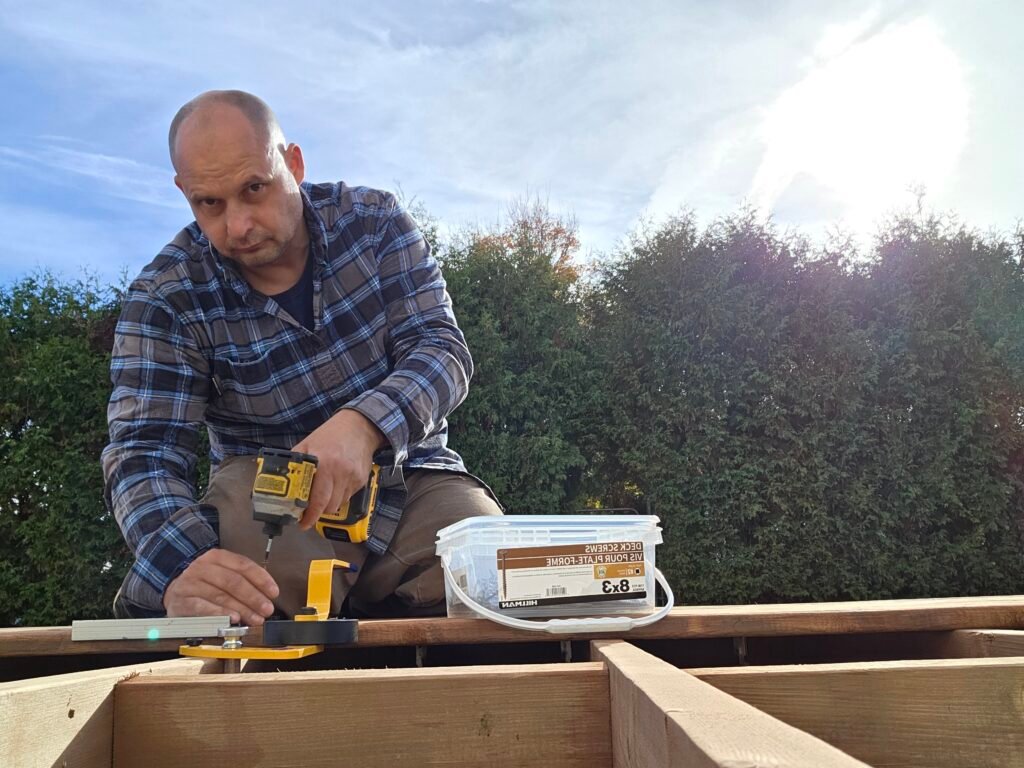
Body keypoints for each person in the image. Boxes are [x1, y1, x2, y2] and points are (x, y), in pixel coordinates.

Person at [102, 90, 501, 624]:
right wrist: (183, 567)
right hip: (268, 506)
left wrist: (365, 426)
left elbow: (441, 349)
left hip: (412, 478)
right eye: (209, 204)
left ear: (292, 162)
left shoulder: (375, 223)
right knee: (228, 601)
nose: (238, 225)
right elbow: (144, 450)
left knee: (493, 571)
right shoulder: (165, 297)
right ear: (184, 193)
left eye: (253, 188)